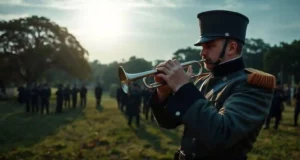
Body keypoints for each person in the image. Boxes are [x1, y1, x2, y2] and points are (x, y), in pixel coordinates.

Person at [148, 10, 275, 160]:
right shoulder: (204, 81)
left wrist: (183, 88)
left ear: (231, 48)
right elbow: (168, 122)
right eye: (202, 47)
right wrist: (163, 93)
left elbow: (222, 135)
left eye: (209, 46)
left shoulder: (253, 85)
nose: (202, 53)